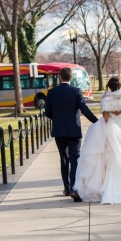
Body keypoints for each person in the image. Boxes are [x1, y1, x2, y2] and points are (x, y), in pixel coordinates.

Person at [73, 77, 121, 204]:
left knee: (111, 161)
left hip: (111, 132)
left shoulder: (106, 99)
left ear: (109, 86)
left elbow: (105, 119)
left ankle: (110, 190)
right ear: (120, 85)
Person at [45, 66, 98, 201]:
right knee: (75, 159)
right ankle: (75, 188)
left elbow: (48, 112)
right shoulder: (76, 91)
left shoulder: (52, 92)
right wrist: (96, 121)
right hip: (74, 130)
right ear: (71, 78)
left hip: (59, 131)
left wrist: (58, 119)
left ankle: (67, 188)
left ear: (60, 77)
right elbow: (84, 109)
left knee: (64, 158)